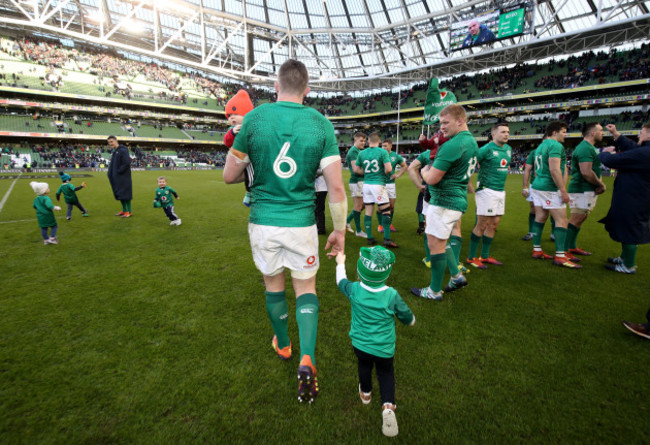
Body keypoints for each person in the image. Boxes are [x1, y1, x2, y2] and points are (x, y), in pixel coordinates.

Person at [223, 59, 347, 404]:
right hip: (302, 222)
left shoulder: (256, 119)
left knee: (273, 284)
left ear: (276, 87)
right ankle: (308, 355)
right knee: (305, 287)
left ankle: (284, 344)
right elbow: (336, 189)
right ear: (307, 90)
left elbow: (230, 176)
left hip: (264, 220)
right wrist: (339, 231)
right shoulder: (321, 124)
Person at [335, 247, 415, 437]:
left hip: (360, 346)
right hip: (384, 348)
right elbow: (407, 318)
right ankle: (388, 406)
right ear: (386, 273)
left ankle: (366, 394)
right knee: (386, 373)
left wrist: (340, 262)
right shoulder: (391, 295)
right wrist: (411, 321)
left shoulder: (354, 289)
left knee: (364, 366)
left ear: (360, 271)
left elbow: (340, 281)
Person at [410, 104, 478, 301]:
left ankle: (434, 291)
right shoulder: (470, 141)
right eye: (441, 123)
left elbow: (431, 179)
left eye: (445, 122)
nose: (442, 127)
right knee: (442, 240)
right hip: (455, 199)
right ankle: (456, 276)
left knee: (435, 245)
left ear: (460, 120)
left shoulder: (452, 145)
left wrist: (423, 172)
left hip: (445, 202)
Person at [598, 123, 650, 274]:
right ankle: (624, 258)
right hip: (636, 196)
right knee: (627, 226)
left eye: (642, 132)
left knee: (630, 228)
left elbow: (612, 161)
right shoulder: (645, 150)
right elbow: (633, 147)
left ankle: (628, 265)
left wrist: (604, 152)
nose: (639, 135)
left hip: (634, 198)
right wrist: (616, 134)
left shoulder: (645, 153)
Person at [529, 121, 581, 269]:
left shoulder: (541, 146)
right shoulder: (556, 146)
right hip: (550, 188)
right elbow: (554, 170)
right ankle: (560, 256)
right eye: (563, 131)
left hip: (538, 185)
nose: (565, 134)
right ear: (554, 132)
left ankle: (537, 250)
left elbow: (538, 170)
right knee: (562, 220)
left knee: (540, 217)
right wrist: (563, 191)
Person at [467, 123, 512, 268]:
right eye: (503, 132)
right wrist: (469, 183)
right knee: (482, 224)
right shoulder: (485, 149)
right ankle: (471, 257)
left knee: (493, 225)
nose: (506, 134)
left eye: (508, 132)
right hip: (487, 190)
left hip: (500, 191)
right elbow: (470, 164)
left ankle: (485, 256)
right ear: (493, 134)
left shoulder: (509, 149)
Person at [565, 123, 607, 256]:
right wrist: (601, 184)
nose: (603, 133)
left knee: (581, 218)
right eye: (601, 130)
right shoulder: (584, 148)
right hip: (581, 189)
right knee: (575, 219)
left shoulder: (590, 148)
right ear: (592, 133)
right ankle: (563, 251)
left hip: (587, 189)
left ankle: (571, 247)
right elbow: (586, 172)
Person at [354, 132, 397, 248]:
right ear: (379, 142)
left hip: (367, 185)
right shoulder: (382, 152)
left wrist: (368, 173)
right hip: (378, 185)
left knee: (368, 211)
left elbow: (356, 170)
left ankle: (369, 238)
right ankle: (387, 239)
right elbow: (389, 169)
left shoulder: (362, 153)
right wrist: (379, 173)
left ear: (368, 142)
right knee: (386, 212)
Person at [223, 89, 255, 207]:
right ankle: (249, 192)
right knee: (248, 174)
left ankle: (250, 192)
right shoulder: (231, 130)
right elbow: (227, 142)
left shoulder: (253, 127)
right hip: (240, 158)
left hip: (251, 156)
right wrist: (232, 133)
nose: (232, 118)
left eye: (235, 114)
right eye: (229, 115)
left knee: (251, 173)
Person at [378, 139, 406, 234]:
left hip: (391, 184)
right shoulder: (379, 154)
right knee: (380, 207)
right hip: (381, 183)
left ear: (391, 146)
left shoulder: (395, 156)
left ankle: (389, 224)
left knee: (392, 206)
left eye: (386, 146)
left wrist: (398, 175)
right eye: (382, 146)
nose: (384, 148)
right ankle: (380, 225)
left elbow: (404, 166)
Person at [345, 132, 368, 238]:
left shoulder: (358, 151)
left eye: (364, 140)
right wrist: (370, 172)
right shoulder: (353, 151)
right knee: (359, 206)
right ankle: (358, 231)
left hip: (359, 181)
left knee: (361, 205)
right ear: (355, 140)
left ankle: (347, 221)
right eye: (361, 141)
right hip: (357, 181)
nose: (364, 143)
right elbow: (356, 170)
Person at [107, 135, 133, 218]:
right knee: (120, 194)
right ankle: (124, 210)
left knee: (126, 194)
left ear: (116, 140)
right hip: (117, 177)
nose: (110, 143)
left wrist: (118, 172)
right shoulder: (115, 152)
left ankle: (128, 212)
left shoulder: (123, 150)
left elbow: (126, 163)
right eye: (109, 142)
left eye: (111, 141)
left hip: (123, 177)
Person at [521, 147, 537, 241]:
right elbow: (527, 169)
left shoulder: (557, 149)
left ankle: (554, 234)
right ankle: (531, 232)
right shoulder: (534, 152)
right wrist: (525, 186)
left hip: (552, 185)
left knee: (553, 210)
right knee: (533, 208)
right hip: (534, 184)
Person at [314, 169, 328, 235]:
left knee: (318, 209)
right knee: (319, 209)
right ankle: (319, 227)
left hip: (319, 188)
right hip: (321, 187)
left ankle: (320, 229)